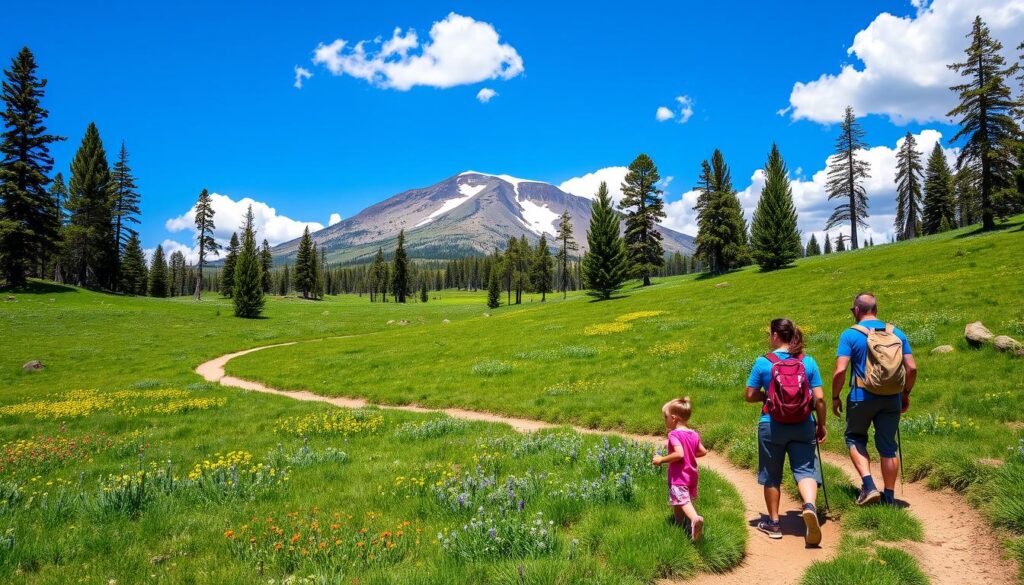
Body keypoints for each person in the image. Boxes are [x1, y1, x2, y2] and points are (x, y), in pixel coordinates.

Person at [745, 318, 827, 546]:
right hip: (803, 424)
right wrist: (821, 424)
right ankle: (809, 506)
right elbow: (819, 398)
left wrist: (767, 396)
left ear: (774, 335)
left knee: (772, 476)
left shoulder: (764, 363)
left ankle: (773, 523)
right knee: (805, 470)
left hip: (771, 424)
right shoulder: (807, 361)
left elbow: (750, 395)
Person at [832, 292, 917, 506]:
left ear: (857, 310)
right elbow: (912, 368)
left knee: (855, 438)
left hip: (861, 396)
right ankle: (889, 496)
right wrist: (905, 393)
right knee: (888, 446)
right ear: (876, 310)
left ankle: (869, 486)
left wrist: (835, 396)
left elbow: (840, 371)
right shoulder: (896, 332)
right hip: (891, 397)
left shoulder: (849, 335)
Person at [652, 397, 707, 541]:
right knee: (679, 500)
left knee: (682, 501)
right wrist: (690, 452)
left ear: (674, 418)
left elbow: (679, 454)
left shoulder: (674, 434)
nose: (665, 420)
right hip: (692, 475)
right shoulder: (693, 434)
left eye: (666, 417)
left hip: (679, 476)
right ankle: (679, 525)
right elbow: (703, 451)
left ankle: (695, 519)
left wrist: (661, 459)